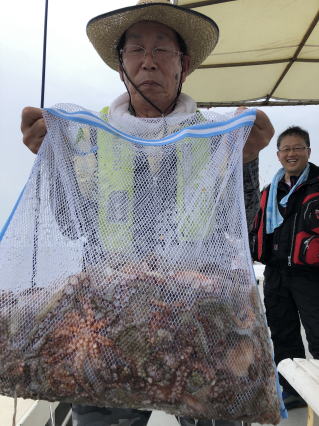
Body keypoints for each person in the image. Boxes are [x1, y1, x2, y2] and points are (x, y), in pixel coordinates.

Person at [20, 1, 275, 425]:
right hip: (109, 317)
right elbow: (71, 223)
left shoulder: (216, 134)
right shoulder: (88, 136)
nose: (149, 61)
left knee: (218, 411)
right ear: (121, 66)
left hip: (199, 319)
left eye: (162, 49)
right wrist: (49, 160)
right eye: (136, 50)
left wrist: (246, 160)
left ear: (184, 64)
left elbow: (240, 225)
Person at [251, 126, 319, 411]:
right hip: (276, 273)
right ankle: (290, 390)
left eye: (297, 148)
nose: (291, 154)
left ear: (308, 151)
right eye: (286, 149)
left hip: (311, 275)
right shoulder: (270, 190)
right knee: (282, 333)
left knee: (318, 333)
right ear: (278, 155)